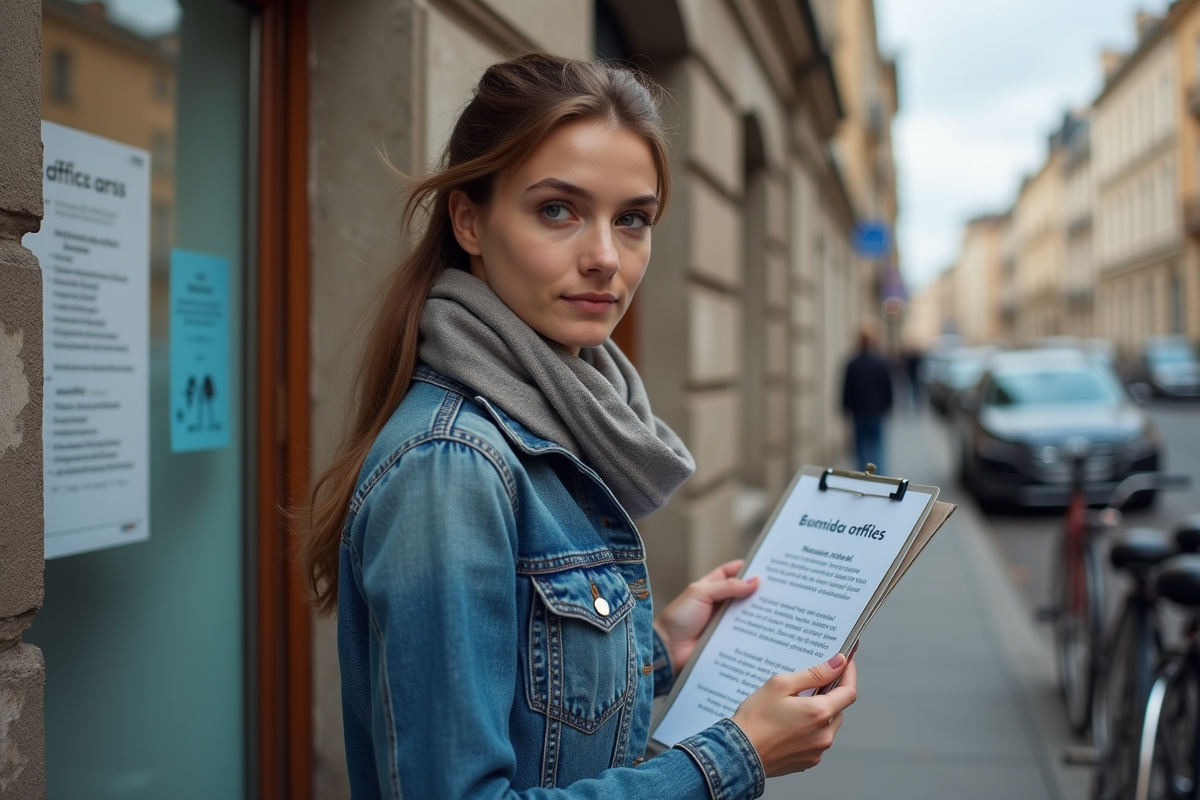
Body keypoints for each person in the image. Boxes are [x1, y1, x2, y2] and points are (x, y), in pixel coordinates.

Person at [301, 53, 857, 800]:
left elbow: (526, 700)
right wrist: (734, 756)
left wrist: (657, 649)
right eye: (557, 210)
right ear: (469, 219)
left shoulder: (558, 415)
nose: (605, 258)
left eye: (633, 219)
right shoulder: (452, 467)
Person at [841, 321, 894, 474]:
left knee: (860, 450)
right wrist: (889, 406)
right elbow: (887, 387)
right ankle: (881, 478)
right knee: (878, 448)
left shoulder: (853, 363)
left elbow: (845, 389)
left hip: (859, 412)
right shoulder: (881, 362)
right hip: (877, 411)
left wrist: (844, 409)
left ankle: (862, 478)